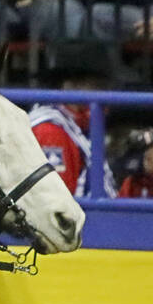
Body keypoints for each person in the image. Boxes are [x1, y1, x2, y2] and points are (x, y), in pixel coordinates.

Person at [28, 38, 126, 198]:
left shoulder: (76, 125)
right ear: (72, 86)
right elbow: (56, 202)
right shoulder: (50, 131)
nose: (105, 93)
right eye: (98, 86)